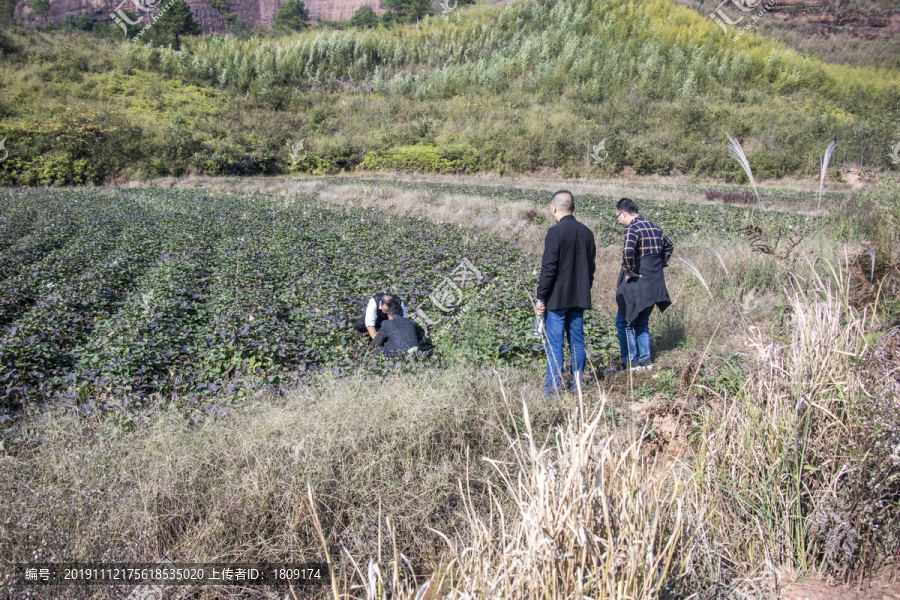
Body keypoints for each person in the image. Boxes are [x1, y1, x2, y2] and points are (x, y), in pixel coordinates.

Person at [535, 190, 596, 396]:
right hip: (579, 298)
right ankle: (576, 386)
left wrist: (541, 296)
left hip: (557, 299)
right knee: (577, 343)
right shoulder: (587, 232)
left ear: (554, 208)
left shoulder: (555, 232)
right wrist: (584, 289)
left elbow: (549, 268)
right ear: (573, 208)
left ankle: (552, 391)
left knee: (555, 345)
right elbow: (591, 268)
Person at [611, 198, 673, 372]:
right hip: (655, 283)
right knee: (642, 321)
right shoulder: (655, 227)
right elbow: (669, 246)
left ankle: (631, 362)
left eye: (618, 217)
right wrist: (658, 264)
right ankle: (646, 361)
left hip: (637, 283)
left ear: (623, 213)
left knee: (625, 321)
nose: (619, 221)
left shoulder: (632, 229)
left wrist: (629, 270)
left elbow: (628, 251)